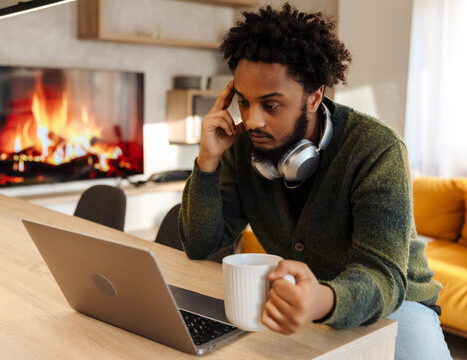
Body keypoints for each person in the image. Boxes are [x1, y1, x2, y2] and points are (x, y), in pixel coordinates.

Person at [178, 3, 452, 359]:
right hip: (304, 301)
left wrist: (321, 300)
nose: (253, 120)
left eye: (271, 105)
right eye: (243, 102)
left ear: (314, 96)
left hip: (397, 306)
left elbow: (382, 275)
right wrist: (207, 161)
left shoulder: (376, 148)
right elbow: (200, 244)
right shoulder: (241, 145)